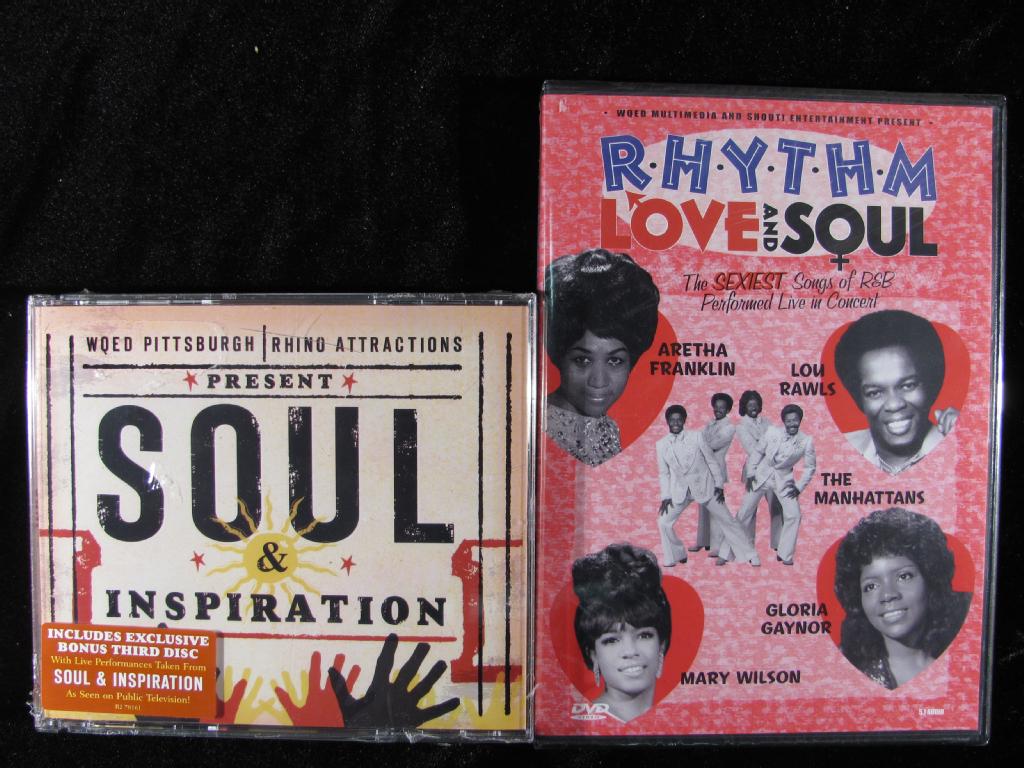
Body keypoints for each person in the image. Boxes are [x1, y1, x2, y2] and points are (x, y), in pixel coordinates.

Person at [544, 249, 660, 466]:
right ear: (559, 355)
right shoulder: (540, 425)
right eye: (582, 360)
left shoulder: (608, 428)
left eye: (614, 361)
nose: (598, 381)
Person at [834, 508, 971, 689]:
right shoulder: (840, 674)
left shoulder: (968, 654)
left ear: (930, 578)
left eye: (903, 576)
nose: (888, 595)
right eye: (871, 586)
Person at [834, 309, 958, 475]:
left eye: (908, 385)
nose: (894, 404)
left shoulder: (958, 445)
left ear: (930, 386)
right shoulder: (836, 452)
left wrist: (966, 441)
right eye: (874, 393)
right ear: (859, 400)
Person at [572, 543, 671, 723]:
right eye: (611, 640)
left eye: (644, 635)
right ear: (593, 654)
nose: (630, 651)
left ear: (661, 645)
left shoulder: (680, 719)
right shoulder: (583, 723)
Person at [656, 405, 760, 568]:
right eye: (672, 420)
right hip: (680, 491)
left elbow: (711, 461)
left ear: (684, 421)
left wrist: (718, 485)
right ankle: (677, 554)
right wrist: (665, 496)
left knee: (727, 520)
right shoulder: (661, 444)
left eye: (679, 419)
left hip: (706, 486)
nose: (675, 423)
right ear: (667, 421)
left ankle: (751, 555)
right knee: (663, 522)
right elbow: (664, 473)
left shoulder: (697, 437)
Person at [736, 404, 815, 566]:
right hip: (760, 476)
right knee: (743, 513)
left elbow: (810, 467)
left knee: (794, 515)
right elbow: (758, 452)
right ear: (784, 422)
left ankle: (785, 554)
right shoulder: (772, 432)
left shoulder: (806, 441)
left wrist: (799, 487)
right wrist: (750, 473)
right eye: (789, 421)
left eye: (795, 420)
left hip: (783, 481)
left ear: (800, 420)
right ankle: (735, 551)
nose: (792, 424)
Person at [734, 390, 783, 550]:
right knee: (749, 510)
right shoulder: (741, 426)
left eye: (756, 404)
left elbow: (777, 441)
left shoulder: (767, 422)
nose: (753, 408)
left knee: (776, 506)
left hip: (771, 471)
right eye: (750, 405)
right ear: (744, 407)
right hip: (754, 472)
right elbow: (752, 449)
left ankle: (778, 543)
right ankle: (746, 545)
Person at [692, 393, 735, 556]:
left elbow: (711, 445)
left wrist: (701, 444)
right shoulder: (710, 423)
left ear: (728, 410)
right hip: (704, 469)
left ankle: (717, 546)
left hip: (716, 469)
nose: (718, 410)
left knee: (716, 508)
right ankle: (703, 541)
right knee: (703, 504)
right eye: (716, 407)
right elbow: (699, 442)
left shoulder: (729, 427)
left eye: (722, 408)